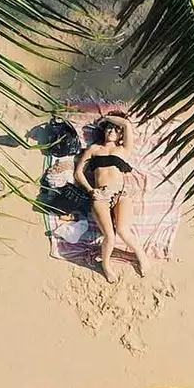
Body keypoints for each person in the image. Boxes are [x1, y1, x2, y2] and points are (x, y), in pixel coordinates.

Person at [72, 113, 144, 282]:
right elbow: (78, 173)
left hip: (121, 193)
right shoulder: (94, 149)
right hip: (101, 195)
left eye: (115, 129)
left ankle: (141, 257)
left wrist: (107, 119)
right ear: (103, 131)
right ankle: (106, 265)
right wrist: (90, 190)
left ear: (121, 135)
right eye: (108, 128)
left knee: (123, 230)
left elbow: (126, 124)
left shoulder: (123, 150)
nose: (111, 130)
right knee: (110, 236)